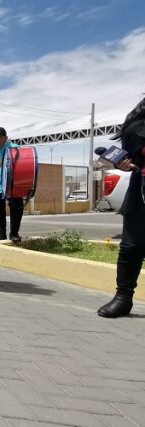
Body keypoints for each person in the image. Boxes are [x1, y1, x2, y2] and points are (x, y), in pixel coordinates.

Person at [97, 97, 145, 318]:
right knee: (131, 247)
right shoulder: (138, 121)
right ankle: (123, 298)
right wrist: (122, 163)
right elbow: (132, 158)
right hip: (141, 191)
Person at [0, 127, 25, 242]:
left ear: (5, 138)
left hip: (13, 185)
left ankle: (14, 233)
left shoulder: (14, 148)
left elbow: (21, 164)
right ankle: (0, 239)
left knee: (17, 208)